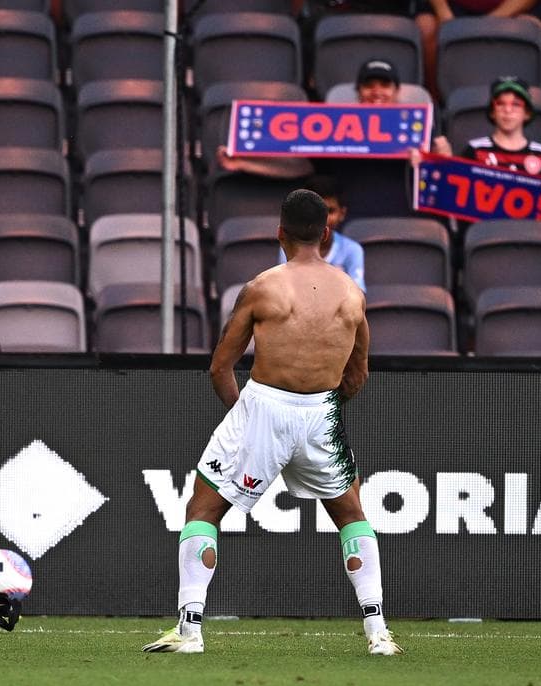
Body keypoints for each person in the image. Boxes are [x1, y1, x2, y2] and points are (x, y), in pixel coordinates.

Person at [143, 189, 401, 657]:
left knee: (203, 512)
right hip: (322, 411)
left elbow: (221, 367)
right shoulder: (352, 293)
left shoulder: (263, 287)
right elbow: (359, 373)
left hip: (263, 407)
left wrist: (246, 418)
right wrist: (324, 405)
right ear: (326, 233)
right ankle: (378, 632)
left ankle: (190, 630)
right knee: (351, 516)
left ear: (279, 232)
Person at [217, 59, 416, 219]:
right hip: (351, 225)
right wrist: (243, 163)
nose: (376, 92)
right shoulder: (337, 128)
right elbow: (300, 167)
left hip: (405, 223)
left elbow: (440, 186)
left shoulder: (418, 132)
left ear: (397, 92)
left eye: (385, 85)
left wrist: (437, 159)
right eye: (368, 85)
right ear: (359, 93)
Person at [431, 76, 541, 177]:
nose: (508, 110)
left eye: (516, 104)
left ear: (527, 113)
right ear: (492, 112)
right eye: (500, 104)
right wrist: (443, 164)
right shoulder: (474, 150)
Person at [415, 0, 541, 100]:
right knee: (426, 27)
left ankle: (520, 104)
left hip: (510, 9)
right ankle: (435, 105)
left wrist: (488, 22)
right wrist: (444, 14)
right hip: (451, 7)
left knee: (530, 26)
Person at [278, 176, 367, 292]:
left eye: (330, 211)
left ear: (342, 213)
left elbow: (359, 296)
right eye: (315, 211)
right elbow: (285, 290)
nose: (323, 219)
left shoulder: (352, 250)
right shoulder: (290, 246)